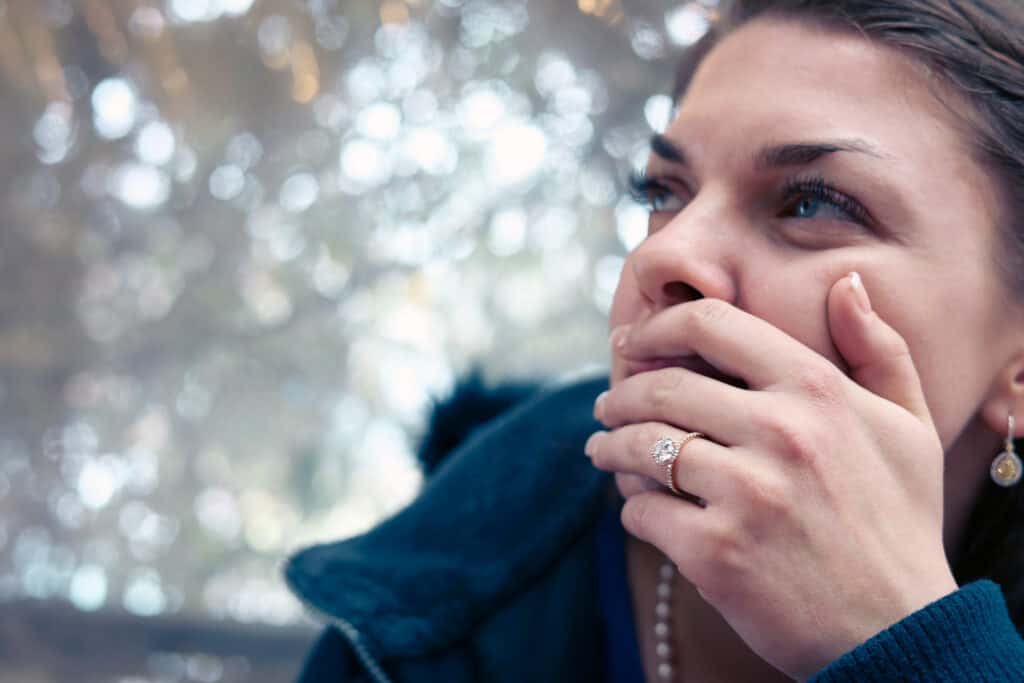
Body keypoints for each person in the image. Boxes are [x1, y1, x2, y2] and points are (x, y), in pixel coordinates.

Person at [284, 0, 1024, 680]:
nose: (663, 255)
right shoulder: (417, 634)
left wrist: (911, 643)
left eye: (813, 202)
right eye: (664, 191)